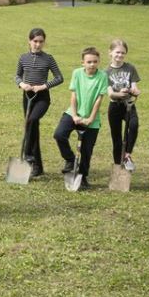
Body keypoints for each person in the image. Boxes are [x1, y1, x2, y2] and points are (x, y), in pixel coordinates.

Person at [53, 47, 108, 190]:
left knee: (86, 150)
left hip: (92, 119)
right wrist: (75, 115)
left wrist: (90, 119)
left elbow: (99, 99)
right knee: (59, 134)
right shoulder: (77, 73)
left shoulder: (102, 76)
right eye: (89, 62)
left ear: (99, 62)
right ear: (82, 62)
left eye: (95, 62)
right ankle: (70, 160)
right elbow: (74, 95)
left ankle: (82, 177)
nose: (92, 64)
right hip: (73, 113)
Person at [14, 28, 63, 177]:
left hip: (42, 97)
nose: (38, 44)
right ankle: (38, 167)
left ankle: (28, 156)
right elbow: (17, 76)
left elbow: (59, 78)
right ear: (29, 41)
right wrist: (22, 84)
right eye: (35, 41)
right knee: (33, 129)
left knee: (32, 120)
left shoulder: (48, 58)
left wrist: (42, 86)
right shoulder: (23, 58)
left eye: (41, 41)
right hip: (27, 96)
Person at [106, 39, 141, 171]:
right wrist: (119, 93)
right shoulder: (106, 72)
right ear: (110, 53)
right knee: (116, 138)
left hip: (129, 105)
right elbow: (110, 94)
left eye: (123, 53)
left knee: (133, 125)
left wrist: (135, 91)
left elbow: (135, 87)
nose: (120, 55)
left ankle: (127, 154)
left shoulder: (130, 68)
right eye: (117, 52)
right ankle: (117, 166)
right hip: (114, 106)